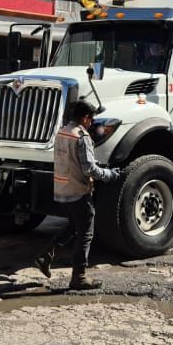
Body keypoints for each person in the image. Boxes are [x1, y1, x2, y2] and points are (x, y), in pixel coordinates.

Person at [34, 100, 121, 290]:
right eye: (91, 119)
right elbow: (89, 168)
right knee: (86, 234)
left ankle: (45, 256)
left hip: (62, 190)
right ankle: (78, 278)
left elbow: (72, 159)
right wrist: (110, 175)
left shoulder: (62, 132)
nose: (91, 123)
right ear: (85, 118)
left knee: (74, 226)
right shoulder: (82, 137)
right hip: (79, 192)